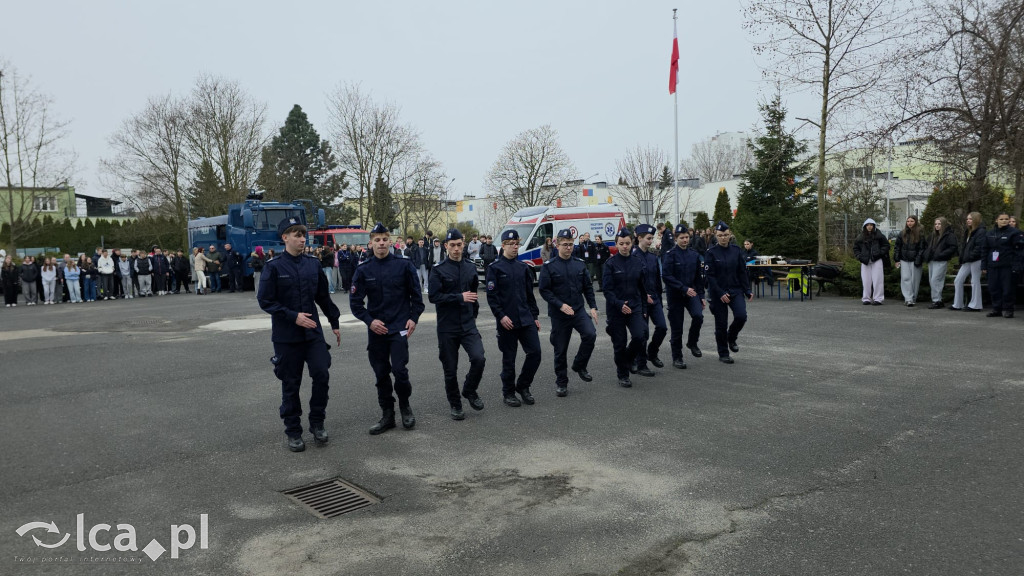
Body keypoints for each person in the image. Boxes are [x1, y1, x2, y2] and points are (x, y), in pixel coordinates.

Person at [258, 216, 341, 452]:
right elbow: (265, 300)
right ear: (285, 238)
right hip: (287, 336)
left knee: (321, 374)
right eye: (297, 235)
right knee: (291, 384)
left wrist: (334, 322)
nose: (302, 239)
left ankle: (318, 422)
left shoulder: (312, 264)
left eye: (303, 235)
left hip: (312, 333)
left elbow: (323, 297)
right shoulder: (273, 267)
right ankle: (293, 431)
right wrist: (292, 315)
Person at [350, 223, 425, 435]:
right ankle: (387, 415)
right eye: (377, 240)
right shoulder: (363, 269)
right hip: (377, 331)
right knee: (381, 374)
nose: (381, 243)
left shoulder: (404, 265)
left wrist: (413, 318)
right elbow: (356, 303)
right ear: (371, 243)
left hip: (399, 327)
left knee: (400, 371)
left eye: (384, 239)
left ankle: (405, 407)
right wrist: (369, 321)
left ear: (390, 242)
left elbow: (416, 298)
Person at [428, 229, 487, 420]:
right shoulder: (438, 270)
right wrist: (458, 297)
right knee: (450, 369)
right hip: (448, 327)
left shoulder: (470, 267)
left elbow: (473, 295)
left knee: (479, 358)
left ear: (464, 245)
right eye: (452, 245)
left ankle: (470, 390)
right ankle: (455, 405)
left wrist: (473, 314)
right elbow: (434, 297)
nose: (456, 249)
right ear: (446, 246)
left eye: (459, 245)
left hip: (468, 324)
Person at [538, 228, 598, 397]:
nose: (568, 248)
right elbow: (544, 290)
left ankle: (579, 365)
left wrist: (593, 306)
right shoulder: (549, 267)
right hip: (560, 314)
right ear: (557, 245)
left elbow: (588, 287)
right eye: (565, 244)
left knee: (590, 334)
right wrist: (560, 305)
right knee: (560, 349)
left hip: (577, 310)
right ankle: (562, 382)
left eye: (571, 244)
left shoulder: (579, 264)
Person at [486, 229, 542, 406]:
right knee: (509, 359)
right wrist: (501, 316)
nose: (514, 247)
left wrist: (535, 316)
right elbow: (492, 297)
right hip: (507, 321)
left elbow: (529, 295)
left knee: (535, 353)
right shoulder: (495, 269)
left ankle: (523, 386)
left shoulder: (523, 268)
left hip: (525, 319)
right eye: (511, 244)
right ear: (503, 246)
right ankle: (508, 393)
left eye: (516, 244)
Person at [602, 227, 653, 387]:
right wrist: (618, 304)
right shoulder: (610, 264)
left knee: (641, 335)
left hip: (635, 306)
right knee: (620, 343)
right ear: (616, 245)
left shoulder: (637, 262)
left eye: (627, 243)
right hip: (616, 309)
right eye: (621, 243)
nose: (625, 246)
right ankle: (623, 374)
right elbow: (607, 290)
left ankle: (628, 360)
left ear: (632, 243)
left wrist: (644, 309)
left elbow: (642, 289)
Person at [704, 222, 752, 364]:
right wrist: (719, 293)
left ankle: (731, 337)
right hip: (718, 292)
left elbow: (742, 272)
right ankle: (723, 352)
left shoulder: (736, 250)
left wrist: (747, 289)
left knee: (741, 316)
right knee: (721, 324)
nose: (723, 238)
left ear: (730, 234)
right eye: (720, 236)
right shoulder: (711, 253)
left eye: (725, 235)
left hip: (735, 289)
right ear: (716, 236)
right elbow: (710, 276)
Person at [661, 224, 705, 369]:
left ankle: (692, 342)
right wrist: (683, 288)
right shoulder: (670, 255)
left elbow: (698, 277)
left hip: (691, 293)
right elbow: (666, 276)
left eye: (687, 237)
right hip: (676, 295)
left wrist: (702, 296)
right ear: (676, 239)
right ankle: (677, 357)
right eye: (682, 238)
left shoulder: (694, 255)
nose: (685, 240)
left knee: (698, 316)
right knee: (677, 327)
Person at [632, 224, 667, 374]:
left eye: (652, 238)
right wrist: (643, 297)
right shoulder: (633, 257)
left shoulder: (653, 257)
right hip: (641, 301)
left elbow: (657, 280)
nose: (650, 241)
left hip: (655, 299)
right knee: (643, 333)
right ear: (639, 238)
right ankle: (641, 364)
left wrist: (658, 297)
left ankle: (652, 353)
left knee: (662, 328)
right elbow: (632, 282)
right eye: (648, 238)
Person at [984, 212, 1023, 318]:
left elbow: (1019, 251)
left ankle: (1008, 309)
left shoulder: (1015, 233)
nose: (1004, 221)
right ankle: (996, 309)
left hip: (1008, 265)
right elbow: (985, 250)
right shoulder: (990, 233)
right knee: (993, 288)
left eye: (1006, 219)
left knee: (1008, 289)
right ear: (996, 220)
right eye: (1001, 219)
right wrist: (984, 266)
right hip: (993, 265)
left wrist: (1016, 266)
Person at [951, 211, 986, 312]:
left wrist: (970, 256)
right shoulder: (968, 231)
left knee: (975, 281)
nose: (968, 220)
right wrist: (963, 257)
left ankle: (975, 305)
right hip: (967, 260)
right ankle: (958, 304)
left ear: (976, 219)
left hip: (976, 260)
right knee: (958, 280)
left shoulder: (981, 231)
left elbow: (979, 247)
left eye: (970, 219)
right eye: (967, 219)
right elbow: (965, 246)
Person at [853, 218, 889, 305]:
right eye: (868, 225)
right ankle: (866, 298)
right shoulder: (860, 237)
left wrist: (879, 253)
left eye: (871, 225)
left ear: (874, 226)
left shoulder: (880, 236)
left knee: (878, 280)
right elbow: (856, 248)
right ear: (865, 226)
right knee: (866, 280)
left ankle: (878, 298)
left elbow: (886, 245)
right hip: (865, 261)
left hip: (876, 260)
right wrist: (859, 256)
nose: (869, 227)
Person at [923, 217, 957, 309]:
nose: (937, 226)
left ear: (944, 224)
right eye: (936, 224)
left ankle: (937, 300)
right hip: (932, 260)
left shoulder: (949, 235)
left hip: (941, 260)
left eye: (939, 224)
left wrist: (941, 254)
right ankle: (937, 299)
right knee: (932, 280)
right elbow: (927, 246)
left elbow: (952, 247)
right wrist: (927, 254)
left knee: (936, 280)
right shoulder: (933, 235)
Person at [893, 215, 926, 307]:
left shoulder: (920, 233)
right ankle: (908, 298)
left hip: (915, 260)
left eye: (912, 221)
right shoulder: (902, 233)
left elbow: (922, 248)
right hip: (904, 259)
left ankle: (913, 297)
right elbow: (897, 247)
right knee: (905, 278)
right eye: (908, 221)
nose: (909, 223)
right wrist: (897, 259)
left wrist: (918, 259)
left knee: (915, 280)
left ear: (915, 222)